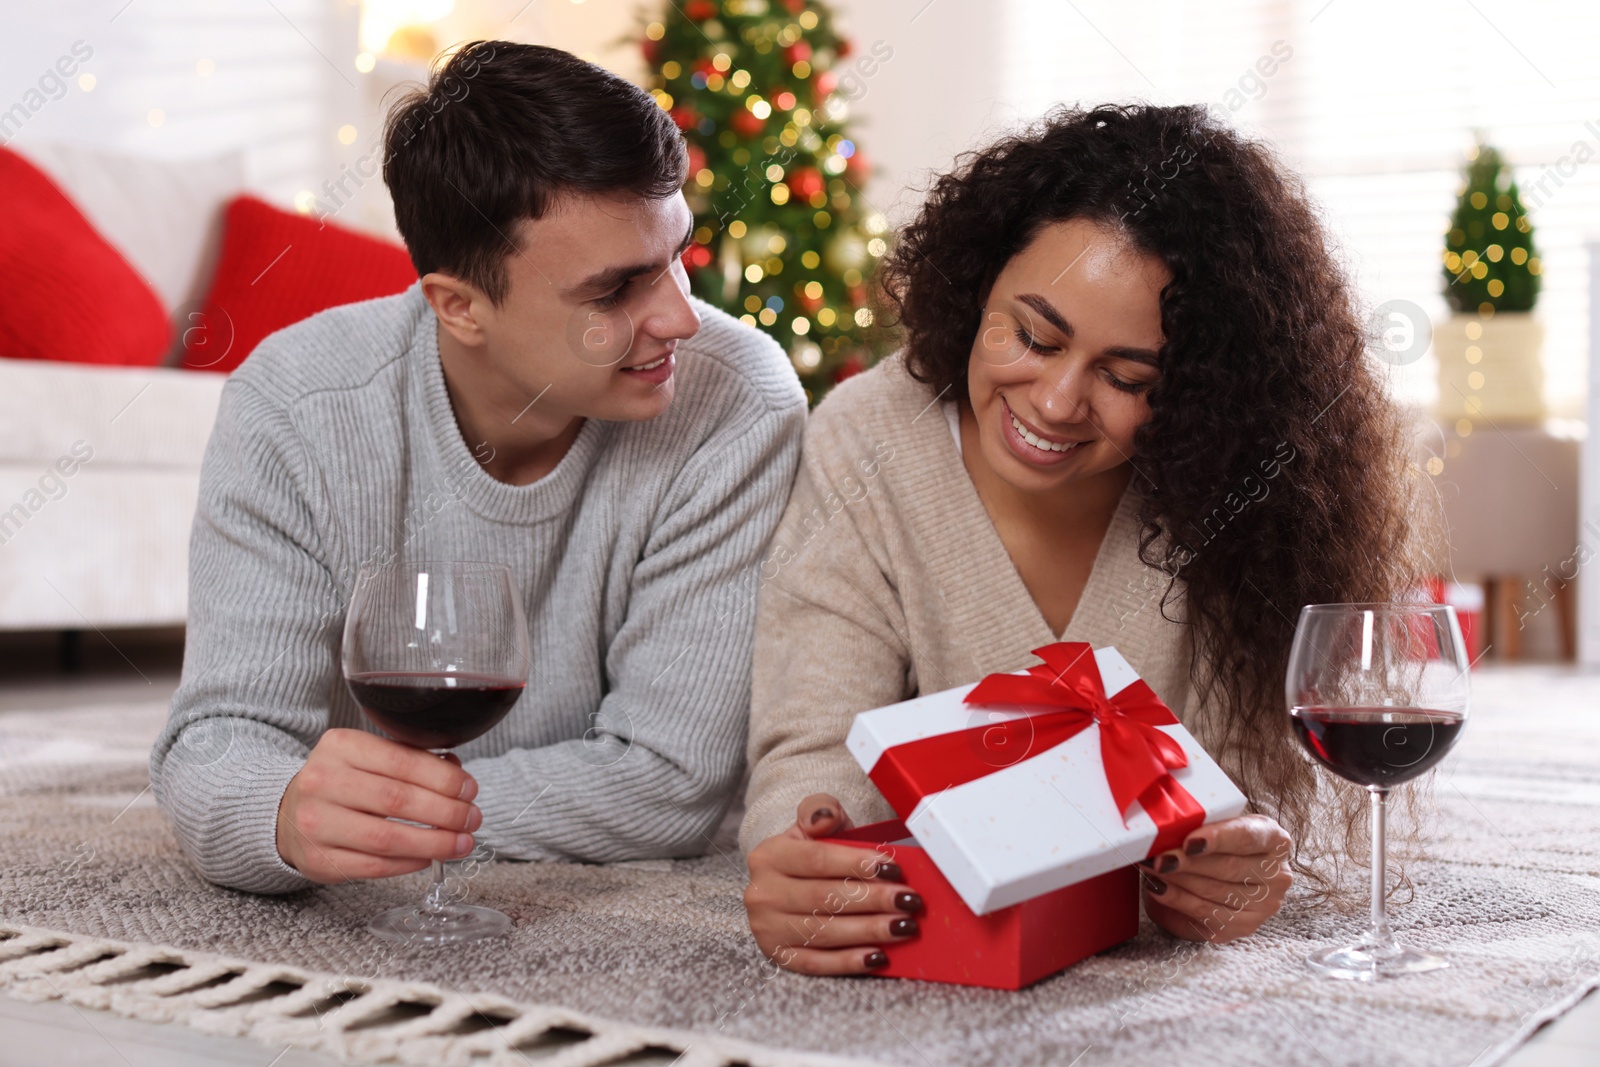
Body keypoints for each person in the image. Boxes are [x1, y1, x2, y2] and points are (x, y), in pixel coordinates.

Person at [740, 104, 1425, 975]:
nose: (1058, 402)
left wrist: (1245, 859)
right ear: (975, 286)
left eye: (1126, 376)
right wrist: (806, 860)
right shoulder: (868, 439)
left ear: (1197, 395)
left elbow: (1245, 792)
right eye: (1031, 335)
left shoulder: (1235, 487)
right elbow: (811, 752)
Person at [150, 42, 806, 894]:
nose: (680, 318)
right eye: (616, 292)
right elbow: (217, 741)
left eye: (677, 254)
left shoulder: (739, 405)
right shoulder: (293, 404)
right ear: (459, 306)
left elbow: (669, 783)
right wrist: (281, 813)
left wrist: (392, 815)